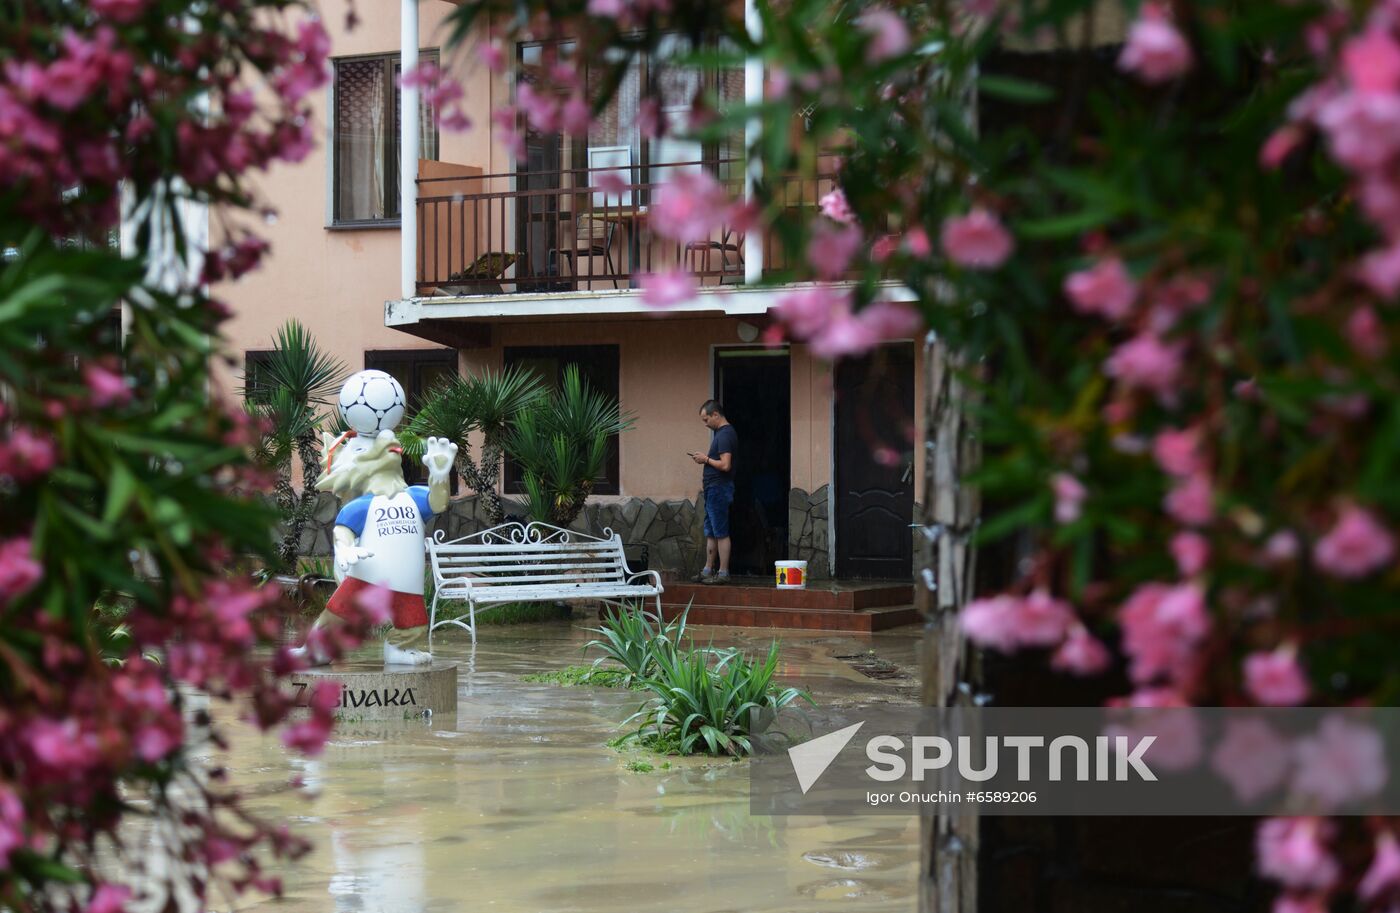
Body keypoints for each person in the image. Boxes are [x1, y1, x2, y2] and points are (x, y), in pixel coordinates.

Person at [691, 400, 737, 585]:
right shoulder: (721, 434)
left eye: (706, 419)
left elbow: (726, 465)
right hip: (712, 488)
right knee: (711, 530)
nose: (705, 424)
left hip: (719, 487)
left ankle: (723, 571)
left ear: (716, 415)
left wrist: (706, 459)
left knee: (720, 531)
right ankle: (708, 569)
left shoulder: (725, 435)